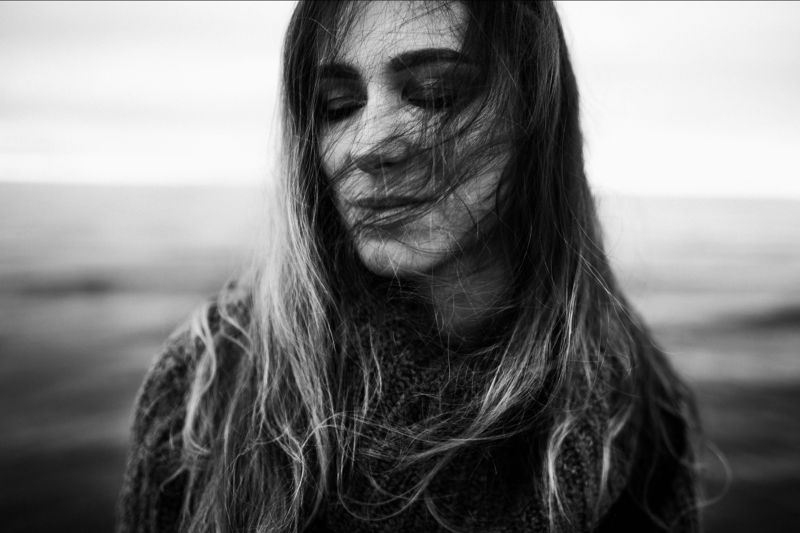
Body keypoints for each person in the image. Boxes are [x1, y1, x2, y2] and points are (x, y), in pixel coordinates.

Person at [116, 1, 701, 532]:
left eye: (435, 92)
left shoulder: (632, 401)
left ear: (535, 113)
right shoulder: (207, 384)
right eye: (337, 106)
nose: (368, 144)